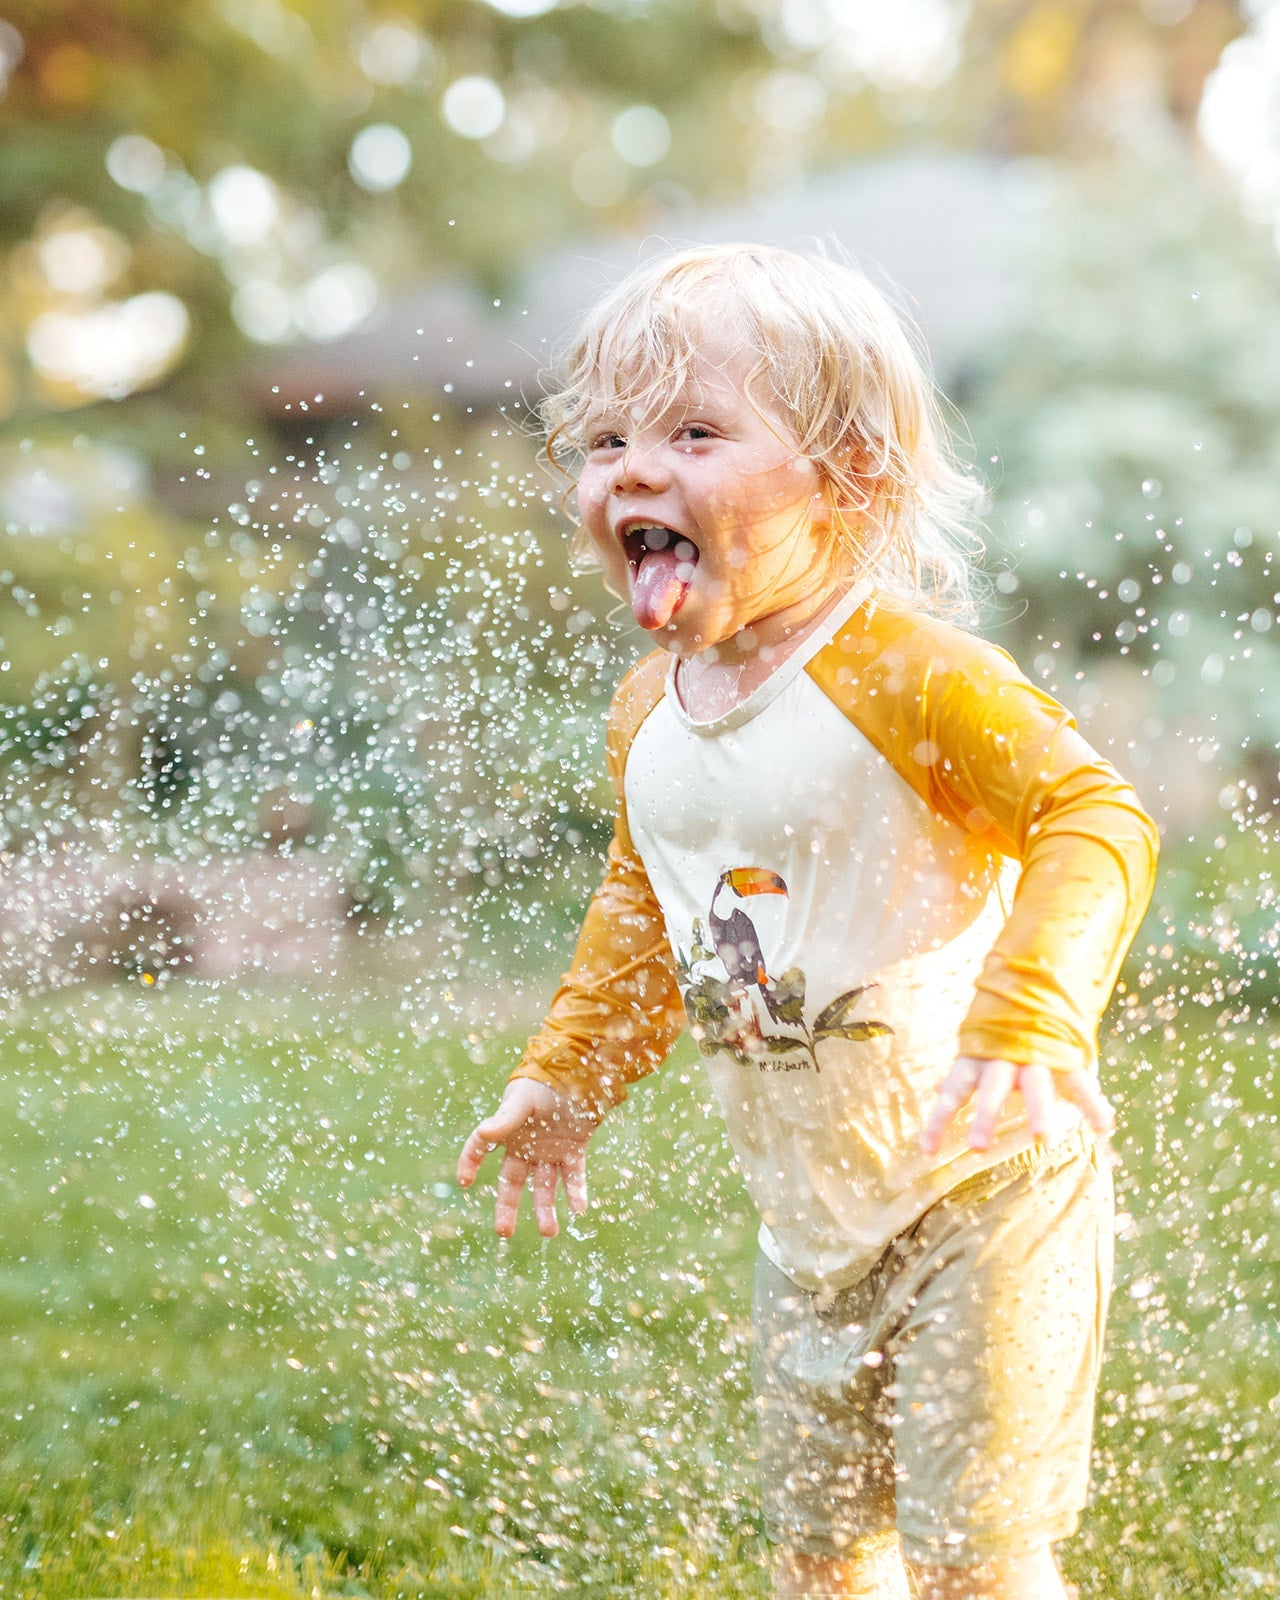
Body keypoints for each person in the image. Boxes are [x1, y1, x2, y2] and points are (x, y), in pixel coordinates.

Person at [456, 243, 1158, 1600]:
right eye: (606, 441)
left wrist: (1032, 1014)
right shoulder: (649, 713)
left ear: (851, 478)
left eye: (694, 433)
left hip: (986, 1191)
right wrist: (567, 1075)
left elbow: (1096, 815)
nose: (634, 471)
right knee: (823, 1563)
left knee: (975, 1567)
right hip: (811, 1230)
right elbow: (644, 904)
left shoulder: (907, 673)